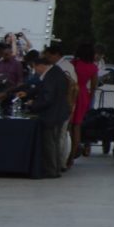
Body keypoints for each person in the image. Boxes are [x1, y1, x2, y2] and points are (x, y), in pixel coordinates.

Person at [30, 50, 75, 178]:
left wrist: (33, 105)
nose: (35, 71)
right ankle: (55, 168)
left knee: (49, 143)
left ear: (40, 66)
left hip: (52, 114)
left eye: (35, 68)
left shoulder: (51, 76)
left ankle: (51, 170)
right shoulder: (56, 72)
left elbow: (48, 98)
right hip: (59, 112)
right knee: (54, 142)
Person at [68, 44, 101, 166]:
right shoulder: (93, 67)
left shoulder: (74, 64)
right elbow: (94, 86)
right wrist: (89, 99)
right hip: (83, 95)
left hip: (72, 93)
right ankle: (71, 157)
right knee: (77, 126)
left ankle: (66, 153)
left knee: (69, 126)